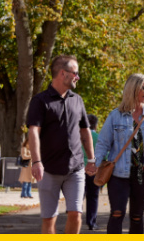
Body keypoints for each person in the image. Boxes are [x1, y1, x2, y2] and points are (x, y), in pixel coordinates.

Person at [26, 54, 96, 234]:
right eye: (75, 73)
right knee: (49, 218)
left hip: (75, 168)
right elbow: (33, 131)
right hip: (48, 169)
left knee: (76, 213)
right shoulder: (40, 101)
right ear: (63, 74)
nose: (77, 77)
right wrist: (36, 162)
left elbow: (85, 131)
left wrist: (91, 159)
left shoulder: (77, 100)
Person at [93, 73, 144, 234]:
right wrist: (96, 164)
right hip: (118, 175)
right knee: (117, 213)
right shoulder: (115, 115)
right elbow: (103, 143)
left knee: (137, 216)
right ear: (132, 89)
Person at [84, 113, 102, 230]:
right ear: (95, 125)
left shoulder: (79, 136)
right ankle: (91, 222)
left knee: (77, 195)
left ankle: (73, 217)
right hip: (94, 169)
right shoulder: (98, 138)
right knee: (93, 196)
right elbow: (104, 154)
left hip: (78, 168)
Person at [19, 133, 35, 199]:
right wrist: (31, 156)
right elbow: (24, 156)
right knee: (25, 181)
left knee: (30, 181)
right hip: (26, 167)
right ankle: (24, 194)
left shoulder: (31, 148)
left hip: (31, 166)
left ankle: (29, 193)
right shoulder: (24, 148)